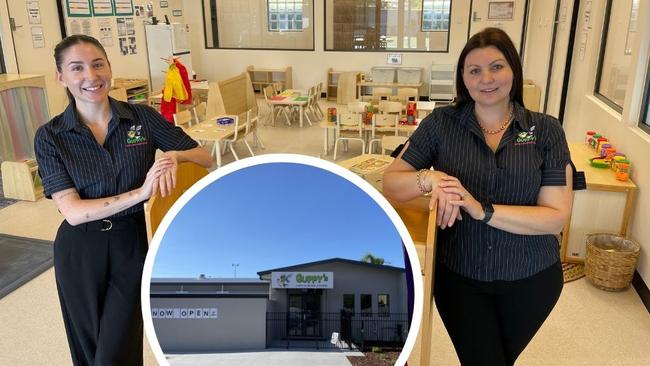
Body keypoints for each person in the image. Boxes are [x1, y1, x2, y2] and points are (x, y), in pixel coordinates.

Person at [383, 28, 584, 365]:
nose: (486, 79)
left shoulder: (546, 130)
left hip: (532, 278)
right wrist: (431, 178)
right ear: (463, 78)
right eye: (474, 70)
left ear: (513, 71)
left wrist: (482, 210)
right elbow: (392, 183)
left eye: (496, 66)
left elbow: (555, 217)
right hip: (461, 277)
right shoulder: (441, 124)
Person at [34, 34, 213, 365]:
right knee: (88, 350)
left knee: (118, 348)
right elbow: (72, 212)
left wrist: (174, 155)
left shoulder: (141, 119)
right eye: (77, 68)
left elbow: (205, 156)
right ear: (61, 77)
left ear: (109, 68)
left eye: (98, 64)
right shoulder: (51, 136)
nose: (91, 76)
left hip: (129, 243)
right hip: (78, 249)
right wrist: (141, 193)